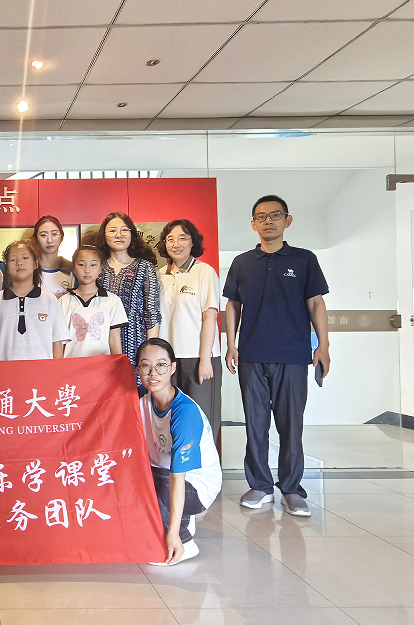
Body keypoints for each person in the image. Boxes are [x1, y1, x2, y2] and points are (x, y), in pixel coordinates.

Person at [224, 195, 329, 518]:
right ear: (253, 224)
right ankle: (260, 486)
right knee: (255, 425)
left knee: (291, 425)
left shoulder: (304, 259)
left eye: (275, 215)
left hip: (293, 355)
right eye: (261, 216)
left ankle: (292, 489)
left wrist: (323, 345)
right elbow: (233, 305)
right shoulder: (242, 262)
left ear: (288, 220)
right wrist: (231, 344)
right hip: (252, 355)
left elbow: (316, 303)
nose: (268, 221)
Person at [136, 338, 222, 566]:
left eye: (161, 365)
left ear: (173, 368)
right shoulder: (141, 399)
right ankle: (179, 520)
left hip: (197, 483)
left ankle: (183, 540)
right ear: (138, 370)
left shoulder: (184, 414)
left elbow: (178, 477)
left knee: (155, 485)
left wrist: (173, 532)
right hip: (163, 472)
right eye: (145, 366)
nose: (153, 373)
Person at [156, 220, 223, 444]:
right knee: (170, 419)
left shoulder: (204, 272)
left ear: (193, 242)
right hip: (168, 360)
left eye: (182, 238)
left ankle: (203, 467)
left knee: (202, 419)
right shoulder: (159, 275)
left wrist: (205, 360)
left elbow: (210, 317)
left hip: (198, 358)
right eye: (170, 239)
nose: (176, 244)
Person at [0, 240, 69, 361]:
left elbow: (57, 342)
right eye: (13, 259)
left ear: (35, 264)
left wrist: (56, 371)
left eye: (25, 258)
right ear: (7, 267)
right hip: (5, 371)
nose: (19, 263)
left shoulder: (50, 300)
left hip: (42, 371)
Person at [98, 212, 161, 366]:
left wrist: (151, 350)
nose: (119, 235)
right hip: (101, 341)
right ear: (104, 235)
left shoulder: (145, 267)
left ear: (132, 234)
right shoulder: (97, 267)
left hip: (136, 341)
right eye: (112, 230)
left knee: (134, 379)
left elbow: (152, 312)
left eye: (124, 230)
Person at [59, 245, 128, 358]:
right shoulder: (63, 301)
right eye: (81, 265)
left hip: (102, 365)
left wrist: (118, 364)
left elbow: (114, 339)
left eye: (93, 265)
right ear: (73, 268)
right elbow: (59, 340)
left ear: (101, 268)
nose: (87, 270)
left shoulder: (112, 300)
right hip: (71, 364)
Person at [33, 215, 74, 297]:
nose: (49, 240)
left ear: (61, 237)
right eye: (43, 235)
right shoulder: (29, 269)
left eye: (54, 234)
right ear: (36, 239)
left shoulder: (72, 269)